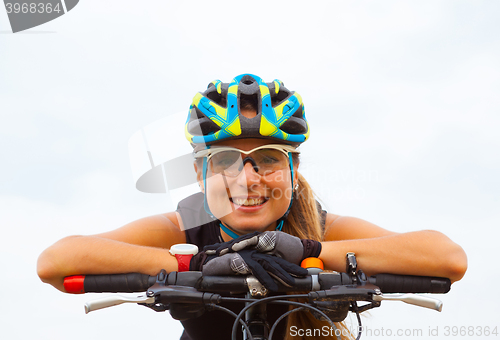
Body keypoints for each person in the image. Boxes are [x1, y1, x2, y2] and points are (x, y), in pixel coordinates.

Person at [37, 74, 467, 340]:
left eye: (267, 159)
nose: (247, 179)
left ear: (293, 170)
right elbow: (55, 262)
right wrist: (201, 263)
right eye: (224, 161)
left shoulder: (320, 225)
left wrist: (301, 252)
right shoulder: (186, 224)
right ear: (201, 173)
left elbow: (448, 258)